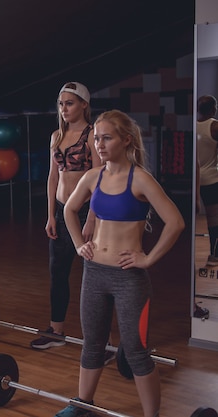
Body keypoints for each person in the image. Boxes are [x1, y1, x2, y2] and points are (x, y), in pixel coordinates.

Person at [56, 110, 184, 417]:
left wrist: (149, 258)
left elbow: (175, 222)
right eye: (96, 138)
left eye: (107, 138)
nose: (99, 144)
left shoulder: (140, 179)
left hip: (129, 278)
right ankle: (82, 405)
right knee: (93, 345)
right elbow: (69, 210)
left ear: (126, 140)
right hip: (94, 273)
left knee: (137, 352)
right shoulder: (93, 177)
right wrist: (78, 245)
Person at [30, 82, 108, 355]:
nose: (64, 109)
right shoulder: (56, 136)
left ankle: (99, 340)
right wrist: (50, 214)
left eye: (70, 103)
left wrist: (92, 219)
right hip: (62, 212)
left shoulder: (92, 135)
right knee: (57, 273)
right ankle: (56, 331)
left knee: (93, 277)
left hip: (86, 212)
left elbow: (100, 178)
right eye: (61, 104)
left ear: (84, 105)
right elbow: (53, 177)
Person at [196, 95, 218, 266]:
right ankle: (214, 255)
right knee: (214, 219)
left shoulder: (193, 126)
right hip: (211, 179)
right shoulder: (215, 126)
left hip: (197, 179)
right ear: (213, 109)